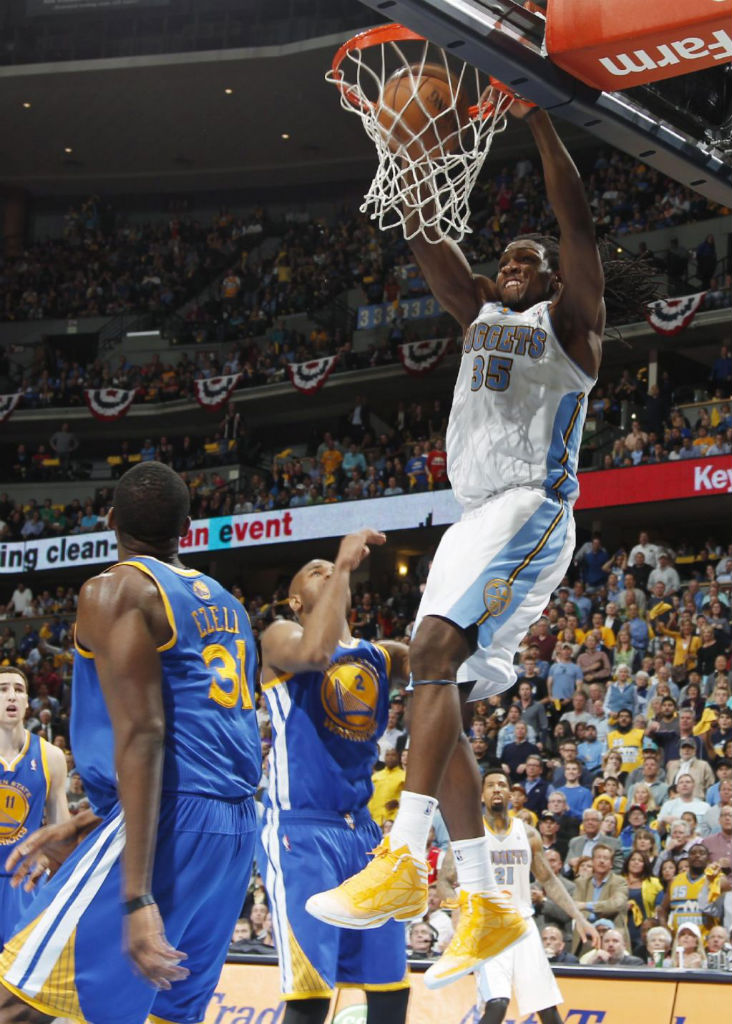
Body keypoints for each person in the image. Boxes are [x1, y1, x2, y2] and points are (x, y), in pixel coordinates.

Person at [312, 96, 607, 988]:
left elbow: (577, 221)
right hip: (471, 515)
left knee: (436, 651)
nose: (515, 264)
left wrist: (541, 125)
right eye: (506, 258)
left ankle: (407, 861)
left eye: (530, 260)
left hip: (532, 506)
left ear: (549, 279)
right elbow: (428, 247)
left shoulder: (571, 327)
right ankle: (481, 900)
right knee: (436, 684)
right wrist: (406, 161)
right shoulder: (476, 313)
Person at [0, 461, 262, 1024]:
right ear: (186, 529)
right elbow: (207, 750)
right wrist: (84, 823)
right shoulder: (229, 605)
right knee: (167, 1015)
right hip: (235, 832)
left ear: (110, 519)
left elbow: (146, 737)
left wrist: (137, 895)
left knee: (17, 1000)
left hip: (169, 821)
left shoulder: (114, 588)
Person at [261, 532, 410, 1024]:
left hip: (365, 833)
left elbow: (445, 661)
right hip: (301, 831)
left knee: (390, 988)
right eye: (315, 570)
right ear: (296, 599)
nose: (327, 570)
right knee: (311, 997)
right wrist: (344, 567)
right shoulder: (280, 636)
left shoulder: (382, 655)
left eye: (332, 566)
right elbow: (317, 654)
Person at [474, 769, 598, 1024]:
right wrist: (456, 913)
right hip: (488, 926)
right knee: (497, 1004)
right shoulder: (472, 834)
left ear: (510, 793)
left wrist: (579, 918)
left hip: (523, 925)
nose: (496, 789)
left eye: (501, 785)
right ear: (482, 794)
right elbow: (445, 880)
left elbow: (549, 881)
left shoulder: (528, 833)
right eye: (490, 786)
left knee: (547, 1009)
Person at [0, 667, 69, 948]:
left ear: (28, 702)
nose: (11, 696)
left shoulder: (50, 756)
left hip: (25, 882)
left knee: (17, 985)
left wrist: (51, 859)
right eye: (2, 689)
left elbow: (62, 830)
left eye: (18, 689)